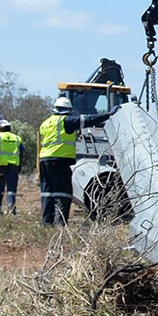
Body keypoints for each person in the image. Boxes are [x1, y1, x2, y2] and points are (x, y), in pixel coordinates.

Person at [37, 96, 111, 225]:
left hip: (44, 160)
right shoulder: (65, 121)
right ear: (68, 110)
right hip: (60, 161)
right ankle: (60, 223)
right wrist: (108, 114)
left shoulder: (45, 123)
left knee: (47, 192)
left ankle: (47, 223)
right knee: (63, 192)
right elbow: (88, 120)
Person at [0, 119, 23, 214]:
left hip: (1, 165)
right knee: (11, 188)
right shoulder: (17, 138)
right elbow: (21, 152)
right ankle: (11, 206)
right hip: (14, 165)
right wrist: (20, 165)